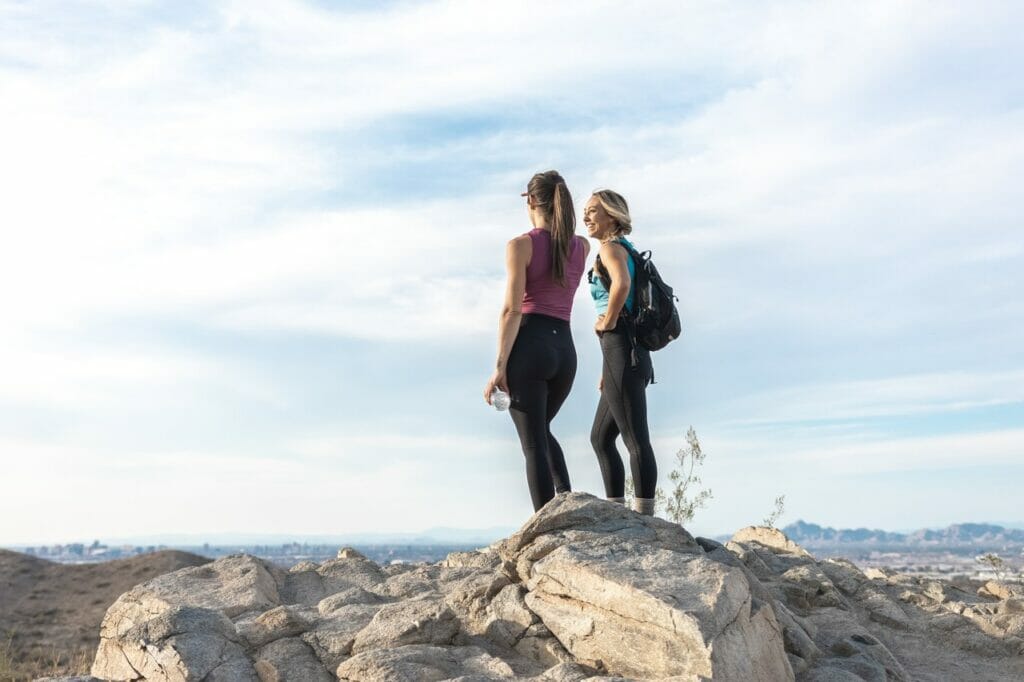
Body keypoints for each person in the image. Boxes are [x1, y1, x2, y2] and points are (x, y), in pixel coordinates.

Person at [484, 170, 590, 512]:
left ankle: (548, 527)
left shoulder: (520, 246)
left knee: (532, 445)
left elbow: (511, 310)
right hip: (565, 352)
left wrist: (499, 368)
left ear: (530, 201)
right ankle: (567, 503)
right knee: (541, 431)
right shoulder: (581, 246)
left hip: (530, 347)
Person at [584, 189, 658, 515]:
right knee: (600, 438)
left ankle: (644, 520)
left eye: (592, 211)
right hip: (625, 356)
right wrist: (606, 370)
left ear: (611, 216)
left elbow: (622, 284)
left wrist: (607, 320)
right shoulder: (626, 248)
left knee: (634, 440)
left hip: (621, 351)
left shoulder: (611, 248)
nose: (586, 217)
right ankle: (617, 511)